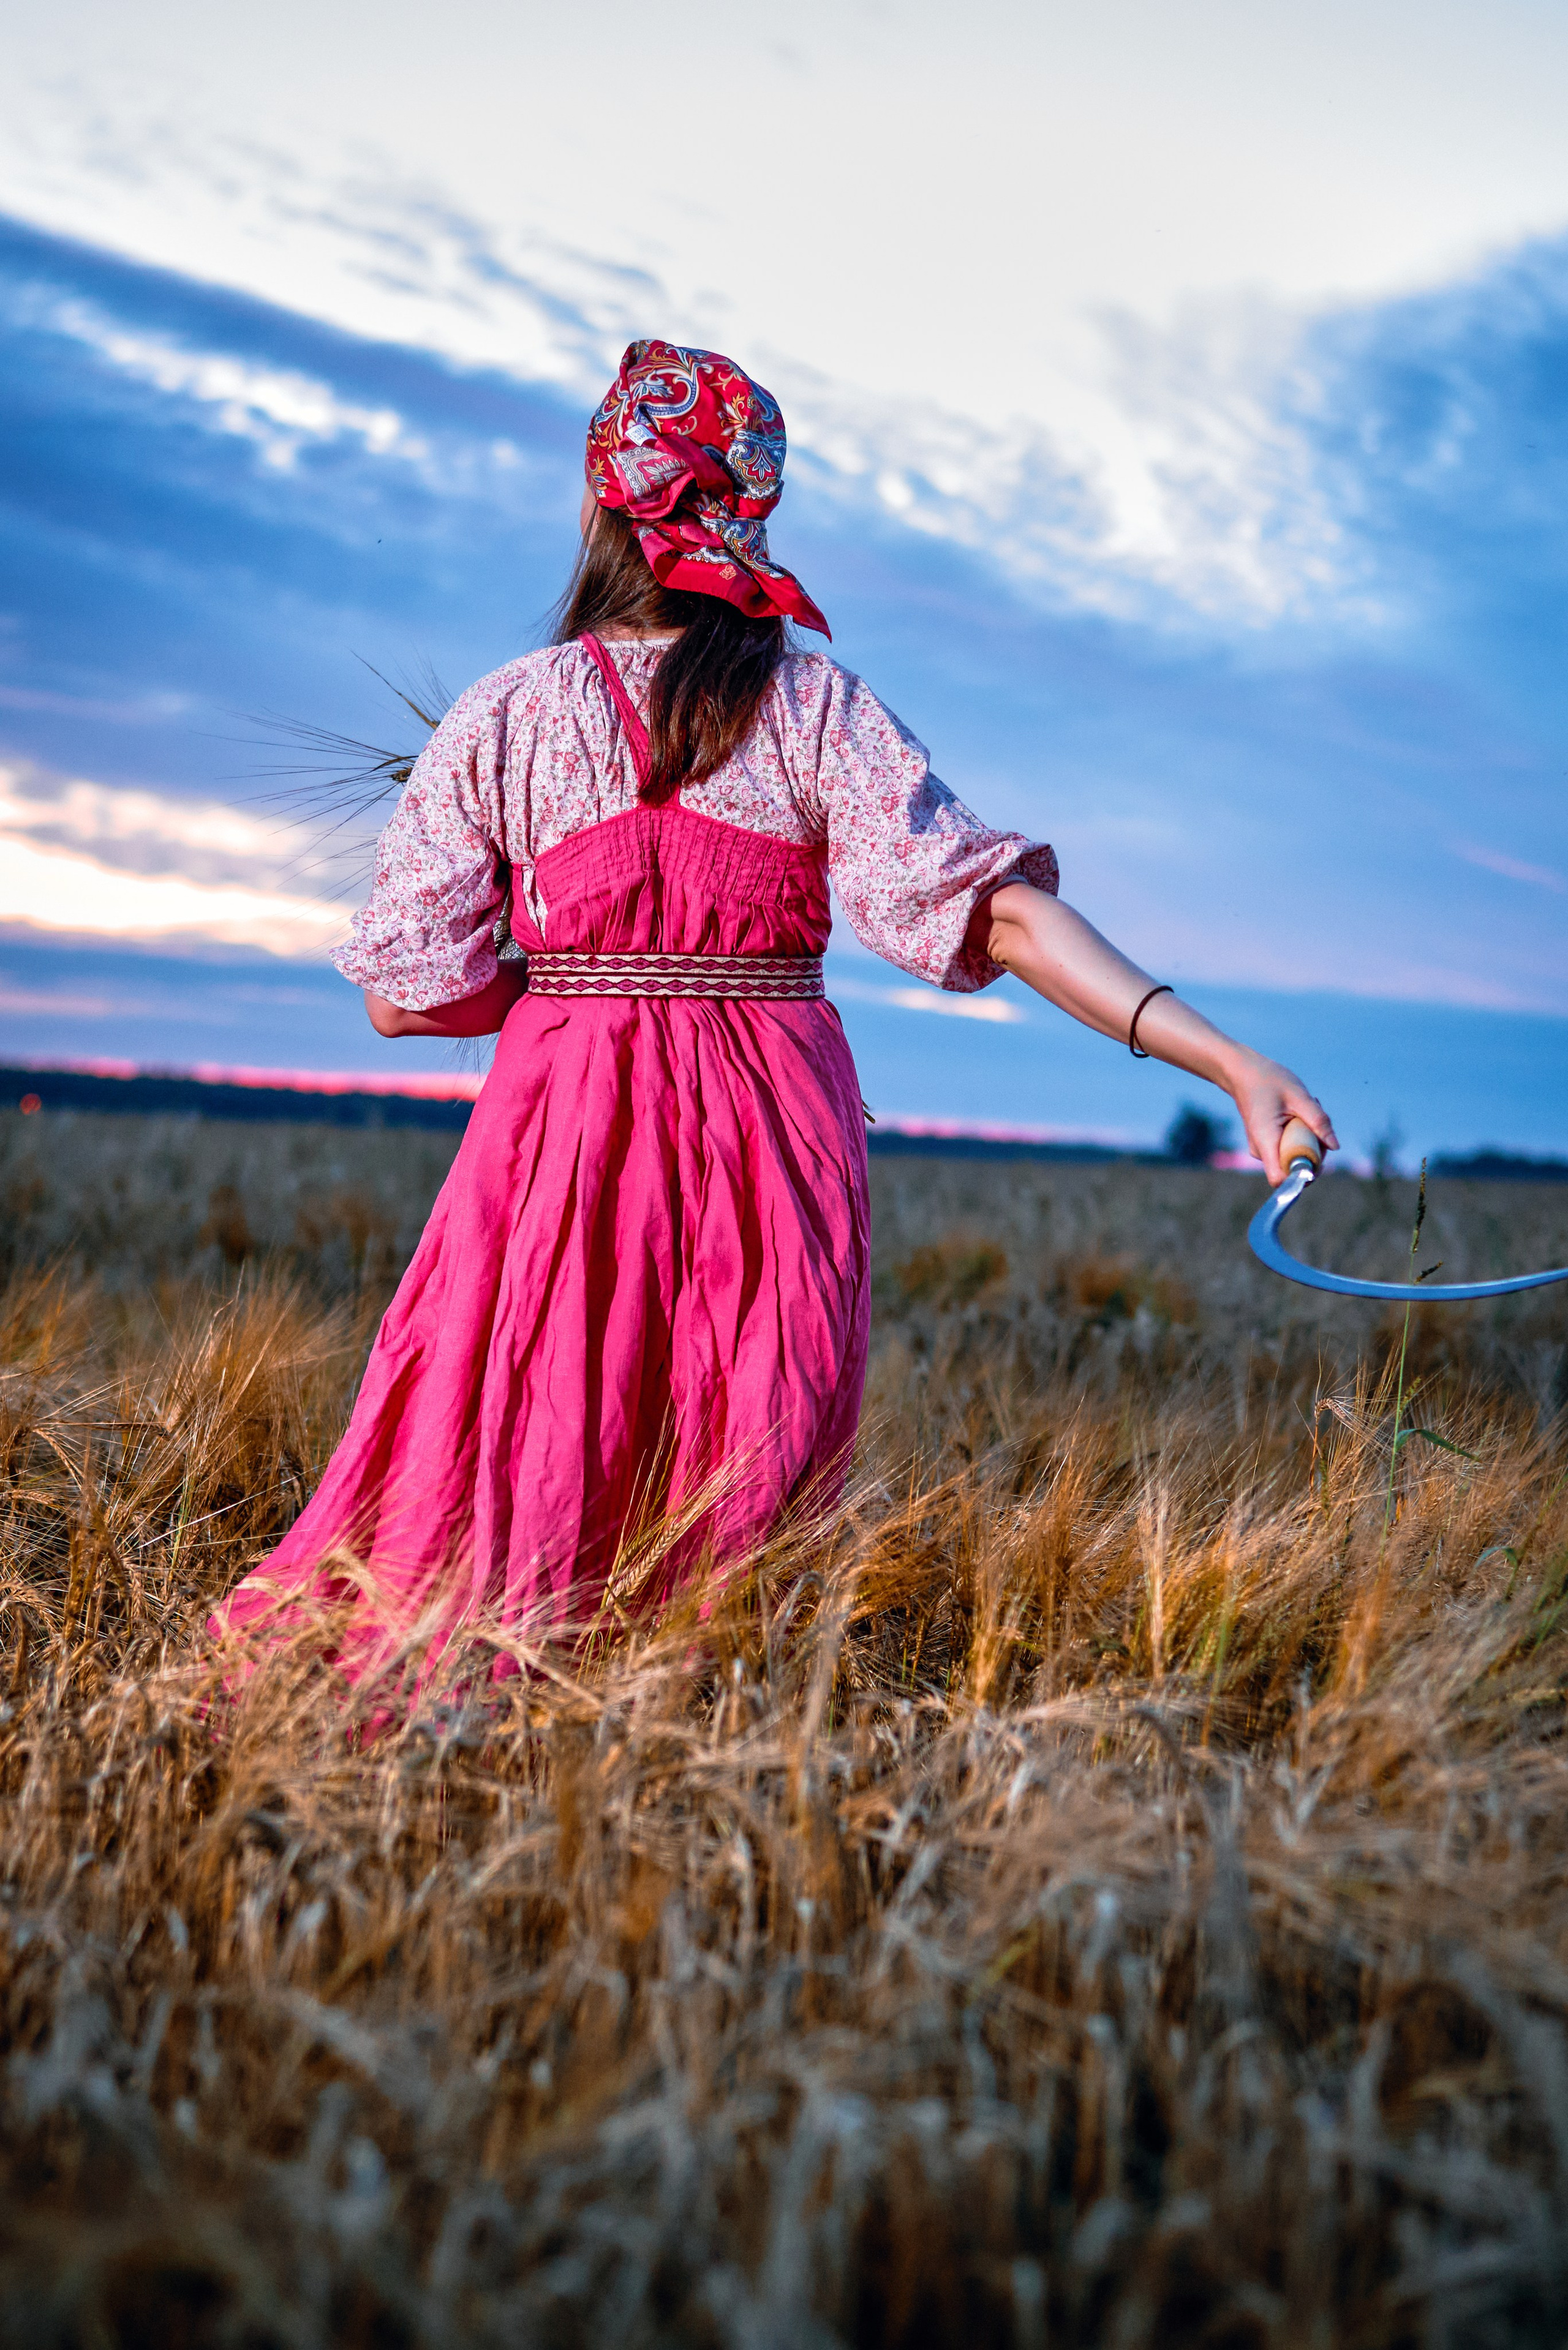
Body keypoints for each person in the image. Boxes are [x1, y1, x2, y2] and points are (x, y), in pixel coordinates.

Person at [213, 339, 1336, 1670]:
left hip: (559, 1128)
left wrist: (572, 981)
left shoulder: (501, 717)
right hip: (768, 1138)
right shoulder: (815, 709)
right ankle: (708, 1708)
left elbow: (406, 1002)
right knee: (742, 1452)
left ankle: (497, 1687)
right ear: (753, 504)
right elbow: (1003, 916)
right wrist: (1228, 1060)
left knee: (534, 1424)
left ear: (602, 500)